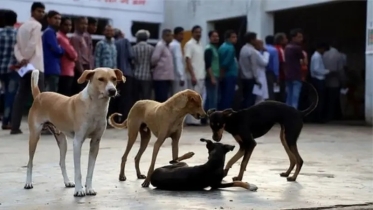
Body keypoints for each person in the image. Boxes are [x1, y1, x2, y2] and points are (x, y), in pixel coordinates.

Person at [11, 2, 45, 135]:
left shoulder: (21, 27)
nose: (41, 14)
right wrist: (26, 57)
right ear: (32, 12)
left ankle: (15, 127)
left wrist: (21, 59)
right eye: (39, 11)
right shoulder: (37, 25)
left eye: (42, 11)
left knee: (21, 96)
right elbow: (32, 44)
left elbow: (16, 47)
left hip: (25, 67)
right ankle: (44, 127)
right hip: (35, 66)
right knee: (41, 98)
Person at [0, 10, 18, 130]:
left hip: (1, 68)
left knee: (3, 91)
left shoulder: (0, 33)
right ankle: (7, 120)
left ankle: (3, 117)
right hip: (13, 69)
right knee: (11, 95)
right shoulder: (17, 34)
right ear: (15, 21)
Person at [184, 25, 205, 126]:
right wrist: (192, 75)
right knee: (193, 100)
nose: (199, 34)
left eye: (200, 32)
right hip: (194, 76)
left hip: (201, 76)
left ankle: (196, 120)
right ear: (192, 33)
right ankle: (191, 121)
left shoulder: (200, 44)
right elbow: (188, 60)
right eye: (196, 32)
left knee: (199, 100)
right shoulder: (189, 44)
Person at [115, 27, 135, 121]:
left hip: (115, 74)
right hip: (126, 72)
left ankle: (117, 117)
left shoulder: (113, 43)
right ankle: (125, 118)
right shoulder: (125, 41)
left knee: (117, 96)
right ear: (121, 34)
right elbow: (131, 55)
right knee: (126, 97)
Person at [323, 41, 345, 122]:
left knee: (326, 99)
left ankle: (326, 115)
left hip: (324, 79)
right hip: (334, 81)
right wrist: (343, 81)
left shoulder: (324, 54)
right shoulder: (339, 55)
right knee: (333, 100)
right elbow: (340, 70)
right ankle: (331, 116)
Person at [42, 10, 64, 92]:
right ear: (48, 19)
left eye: (59, 19)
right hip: (51, 68)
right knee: (51, 94)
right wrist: (62, 49)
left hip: (52, 67)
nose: (58, 20)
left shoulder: (52, 32)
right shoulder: (49, 32)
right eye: (55, 18)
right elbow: (57, 50)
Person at [151, 29, 174, 102]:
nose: (171, 38)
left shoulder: (168, 46)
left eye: (171, 36)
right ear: (164, 36)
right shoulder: (160, 45)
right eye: (169, 36)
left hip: (167, 77)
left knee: (165, 98)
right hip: (160, 77)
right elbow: (154, 59)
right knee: (161, 99)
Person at [70, 16, 92, 94]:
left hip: (86, 68)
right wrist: (83, 73)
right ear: (76, 24)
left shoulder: (85, 37)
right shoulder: (75, 37)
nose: (84, 26)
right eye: (82, 23)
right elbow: (77, 57)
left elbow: (89, 55)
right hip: (80, 69)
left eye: (86, 24)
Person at [239, 32, 261, 108]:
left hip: (243, 77)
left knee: (245, 97)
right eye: (255, 39)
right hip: (251, 78)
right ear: (252, 40)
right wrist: (257, 79)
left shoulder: (243, 49)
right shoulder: (252, 51)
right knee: (250, 99)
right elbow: (253, 66)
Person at [284, 28, 304, 109]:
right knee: (295, 97)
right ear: (293, 38)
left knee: (289, 97)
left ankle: (286, 115)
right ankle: (293, 115)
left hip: (288, 75)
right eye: (299, 37)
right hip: (296, 74)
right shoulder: (297, 48)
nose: (301, 39)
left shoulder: (287, 47)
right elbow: (303, 60)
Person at [217, 30, 238, 110]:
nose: (236, 39)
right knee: (228, 96)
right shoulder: (231, 48)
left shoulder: (221, 47)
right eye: (233, 37)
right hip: (230, 74)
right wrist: (222, 73)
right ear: (228, 38)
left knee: (222, 95)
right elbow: (226, 62)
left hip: (223, 74)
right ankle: (225, 115)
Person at [57, 17, 77, 97]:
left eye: (70, 25)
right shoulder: (61, 38)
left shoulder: (65, 37)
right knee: (64, 95)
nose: (68, 27)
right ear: (61, 25)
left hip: (68, 71)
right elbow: (73, 54)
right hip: (65, 71)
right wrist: (75, 57)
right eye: (66, 25)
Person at [310, 42, 330, 123]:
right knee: (319, 99)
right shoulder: (317, 57)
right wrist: (327, 71)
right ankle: (318, 117)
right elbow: (316, 69)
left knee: (318, 99)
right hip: (318, 79)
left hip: (318, 79)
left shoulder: (317, 56)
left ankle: (317, 116)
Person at [132, 29, 154, 100]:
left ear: (137, 37)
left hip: (135, 75)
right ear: (147, 38)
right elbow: (153, 62)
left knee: (136, 98)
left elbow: (132, 62)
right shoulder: (151, 48)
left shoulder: (133, 48)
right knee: (146, 98)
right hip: (147, 76)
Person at [204, 30, 220, 112]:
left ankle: (205, 117)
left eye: (217, 36)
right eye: (213, 36)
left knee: (211, 98)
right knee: (212, 99)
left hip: (215, 75)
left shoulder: (214, 48)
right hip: (211, 76)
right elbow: (208, 65)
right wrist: (212, 77)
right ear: (209, 38)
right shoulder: (209, 49)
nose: (216, 38)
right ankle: (212, 117)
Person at [253, 40, 270, 104]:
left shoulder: (258, 52)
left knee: (260, 96)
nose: (263, 46)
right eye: (261, 45)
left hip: (260, 74)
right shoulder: (256, 53)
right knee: (259, 96)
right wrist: (266, 53)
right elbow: (264, 62)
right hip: (259, 76)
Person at [170, 27, 185, 94]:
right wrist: (181, 77)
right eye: (180, 34)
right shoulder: (176, 45)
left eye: (183, 34)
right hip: (177, 76)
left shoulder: (171, 44)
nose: (182, 37)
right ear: (175, 35)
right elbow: (178, 60)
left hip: (172, 75)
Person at [274, 32, 288, 102]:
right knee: (282, 95)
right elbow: (283, 63)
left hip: (274, 76)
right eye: (285, 39)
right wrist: (286, 75)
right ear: (281, 40)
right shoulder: (280, 50)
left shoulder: (273, 48)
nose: (287, 40)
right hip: (281, 76)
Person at [264, 35, 279, 100]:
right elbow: (275, 63)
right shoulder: (274, 50)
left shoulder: (262, 48)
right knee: (270, 90)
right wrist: (276, 75)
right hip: (270, 73)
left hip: (263, 71)